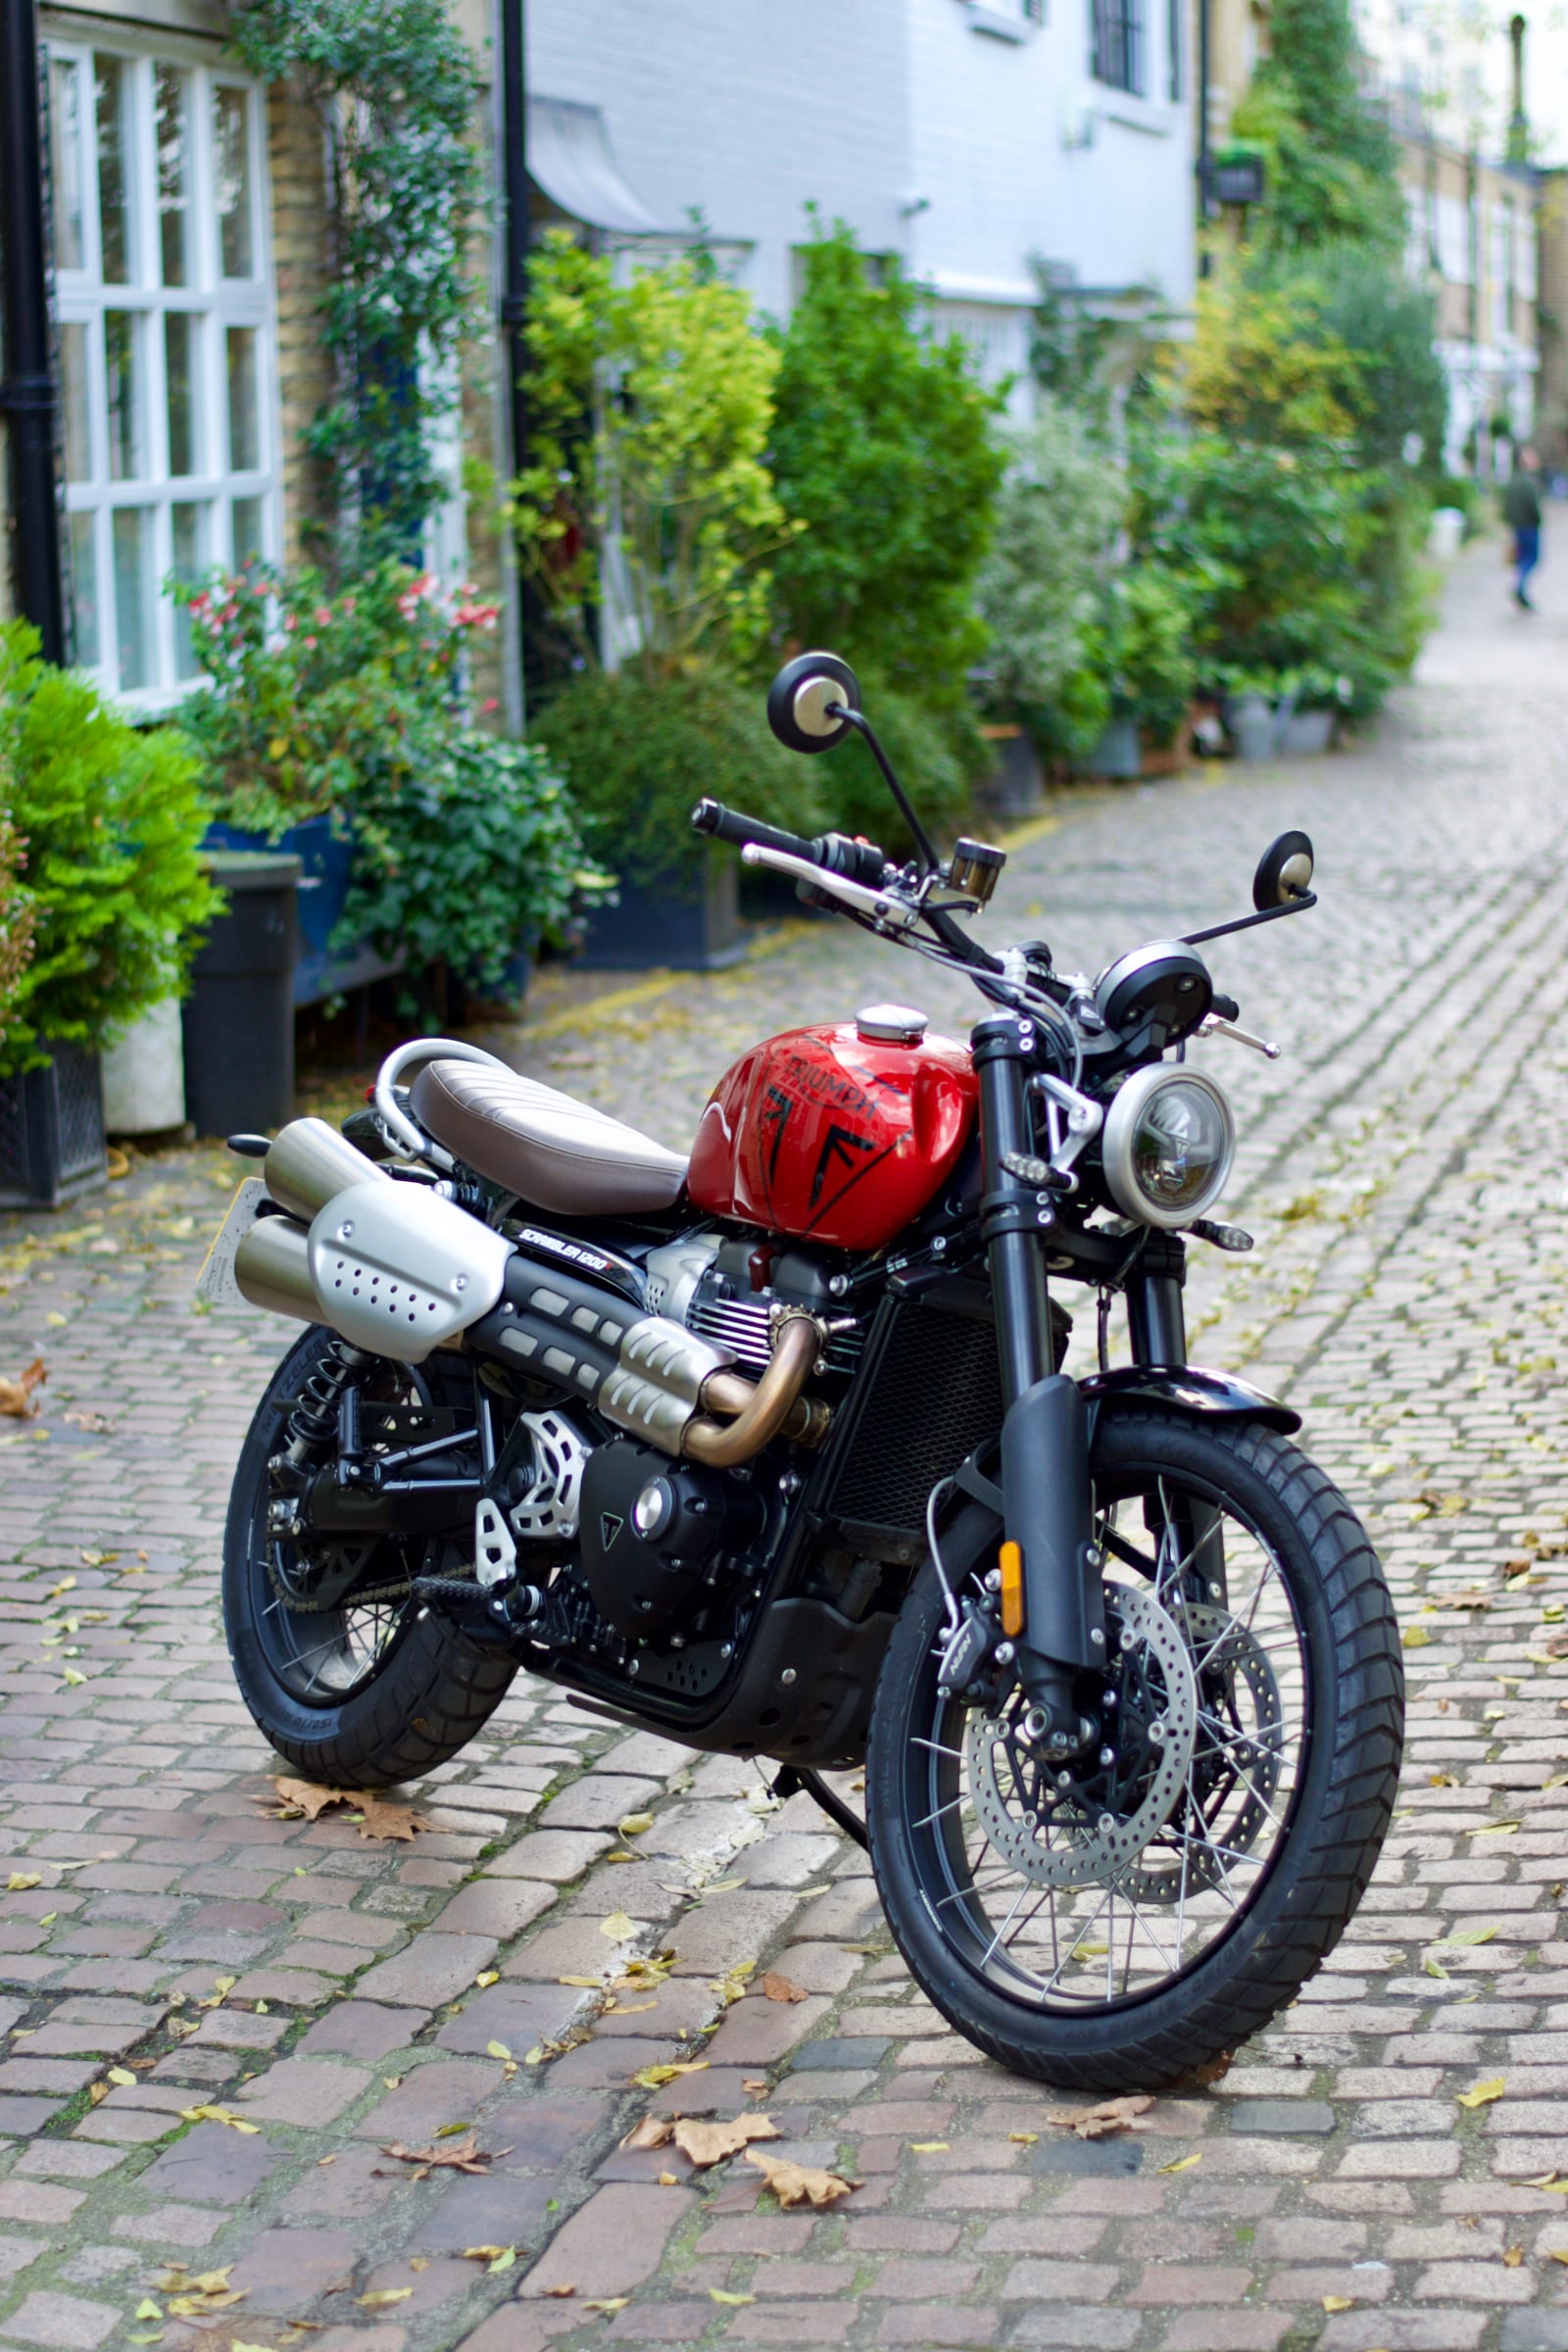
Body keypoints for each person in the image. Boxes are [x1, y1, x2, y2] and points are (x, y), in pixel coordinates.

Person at [1502, 446, 1544, 610]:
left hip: (1517, 525)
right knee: (1531, 558)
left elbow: (1505, 506)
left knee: (1524, 558)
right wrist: (1538, 520)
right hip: (1529, 526)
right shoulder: (1528, 482)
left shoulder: (1513, 480)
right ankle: (1519, 587)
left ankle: (1520, 589)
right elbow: (1533, 507)